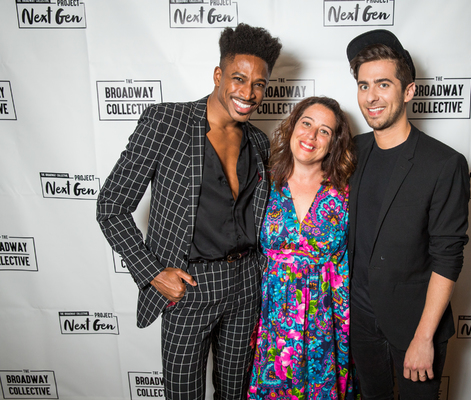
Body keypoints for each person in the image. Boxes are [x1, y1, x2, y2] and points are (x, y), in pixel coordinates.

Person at [96, 24, 281, 400]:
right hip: (190, 286)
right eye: (239, 79)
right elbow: (111, 206)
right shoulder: (167, 122)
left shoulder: (260, 142)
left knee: (236, 393)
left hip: (247, 285)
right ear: (218, 75)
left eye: (259, 84)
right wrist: (152, 273)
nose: (248, 93)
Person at [345, 30, 470, 399]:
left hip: (415, 327)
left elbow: (448, 257)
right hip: (359, 324)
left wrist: (424, 337)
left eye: (383, 84)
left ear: (409, 91)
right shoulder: (353, 151)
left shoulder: (444, 163)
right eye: (364, 85)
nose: (372, 96)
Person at [248, 96, 358, 399]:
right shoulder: (262, 183)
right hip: (269, 323)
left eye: (324, 131)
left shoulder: (347, 191)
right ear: (293, 126)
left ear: (334, 142)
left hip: (327, 325)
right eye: (306, 123)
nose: (311, 135)